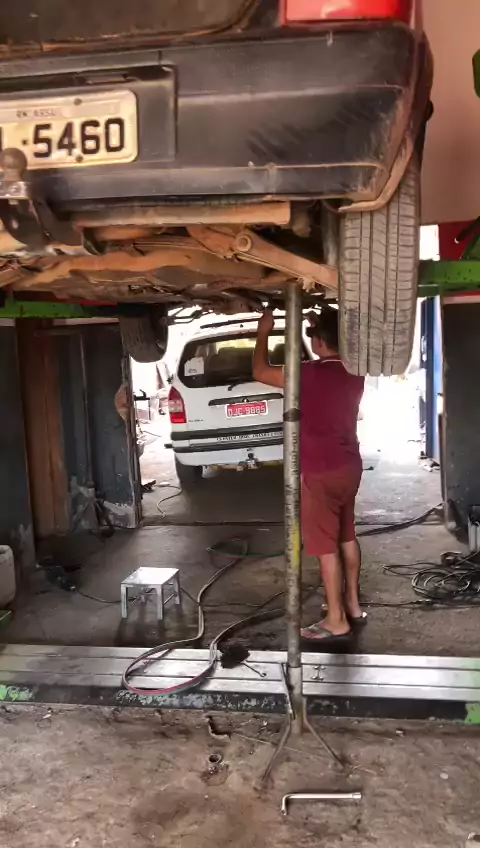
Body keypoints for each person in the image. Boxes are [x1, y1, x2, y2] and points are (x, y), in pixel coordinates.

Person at [253, 307, 365, 642]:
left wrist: (264, 330)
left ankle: (336, 620)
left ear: (318, 342)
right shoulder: (355, 371)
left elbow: (259, 371)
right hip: (349, 467)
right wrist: (321, 324)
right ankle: (353, 606)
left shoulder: (308, 374)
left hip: (320, 472)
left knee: (325, 547)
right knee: (346, 536)